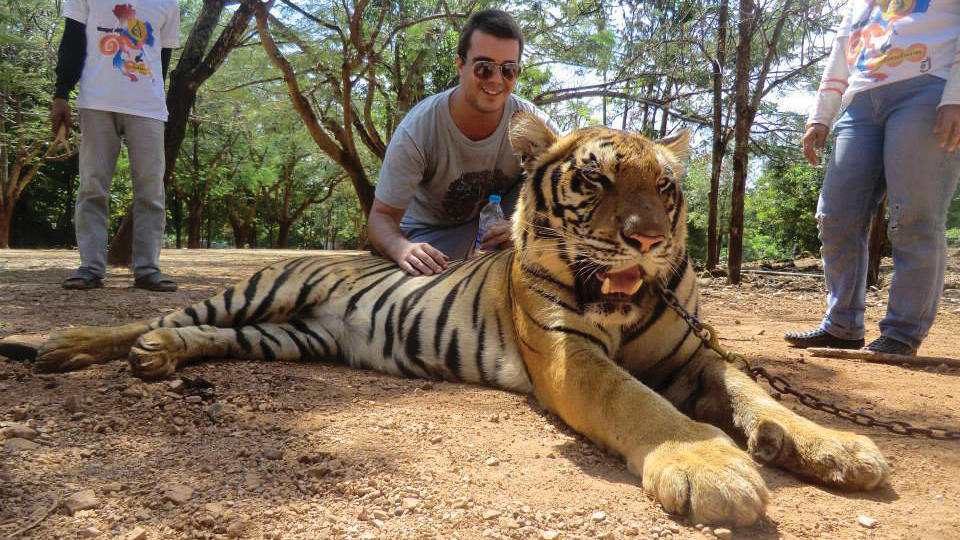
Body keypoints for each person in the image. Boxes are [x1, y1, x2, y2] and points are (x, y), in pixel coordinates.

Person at [784, 0, 960, 355]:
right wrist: (821, 116)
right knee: (835, 216)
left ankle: (902, 333)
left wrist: (955, 97)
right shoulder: (856, 4)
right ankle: (842, 326)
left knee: (914, 218)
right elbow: (840, 55)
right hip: (860, 100)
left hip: (930, 88)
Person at [368, 9, 554, 276]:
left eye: (509, 70)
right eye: (484, 68)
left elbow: (571, 178)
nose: (496, 79)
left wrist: (526, 229)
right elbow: (380, 218)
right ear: (460, 64)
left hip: (499, 232)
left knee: (545, 174)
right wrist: (401, 248)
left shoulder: (531, 123)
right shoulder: (419, 128)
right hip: (430, 235)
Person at [50, 0, 180, 291]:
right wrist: (61, 94)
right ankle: (90, 268)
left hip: (147, 108)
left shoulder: (168, 3)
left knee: (151, 190)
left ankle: (147, 269)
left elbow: (162, 58)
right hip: (96, 102)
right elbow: (71, 41)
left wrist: (151, 94)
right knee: (92, 187)